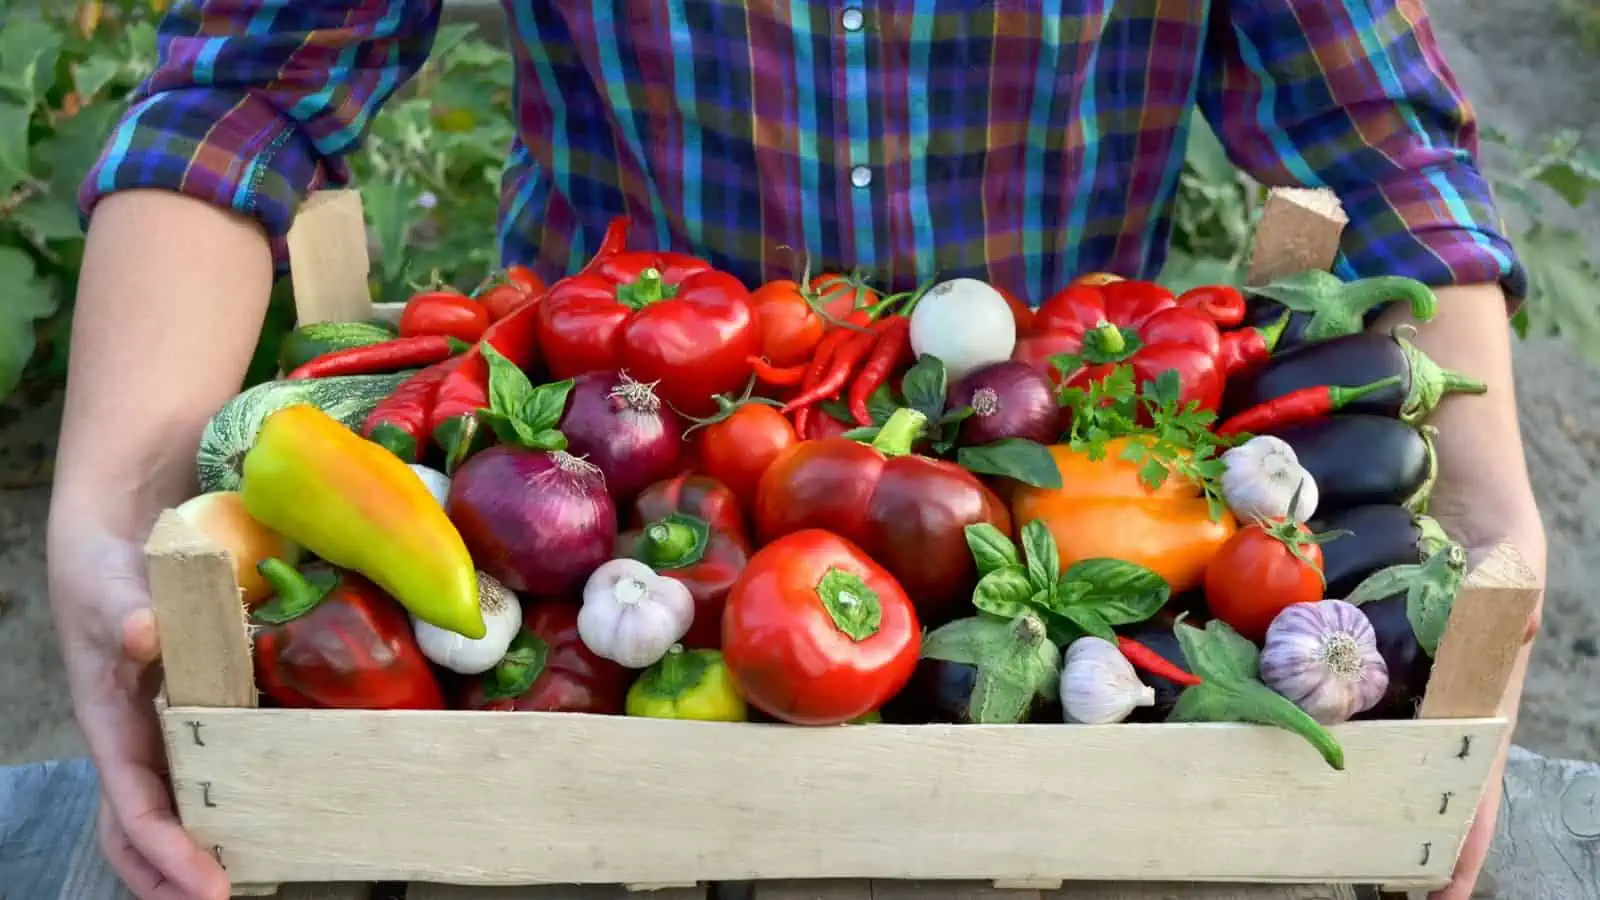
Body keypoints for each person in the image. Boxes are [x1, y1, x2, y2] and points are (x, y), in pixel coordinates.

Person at [48, 3, 1546, 900]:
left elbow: (1380, 133)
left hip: (1054, 497)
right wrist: (112, 508)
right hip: (596, 471)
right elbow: (246, 82)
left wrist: (1483, 537)